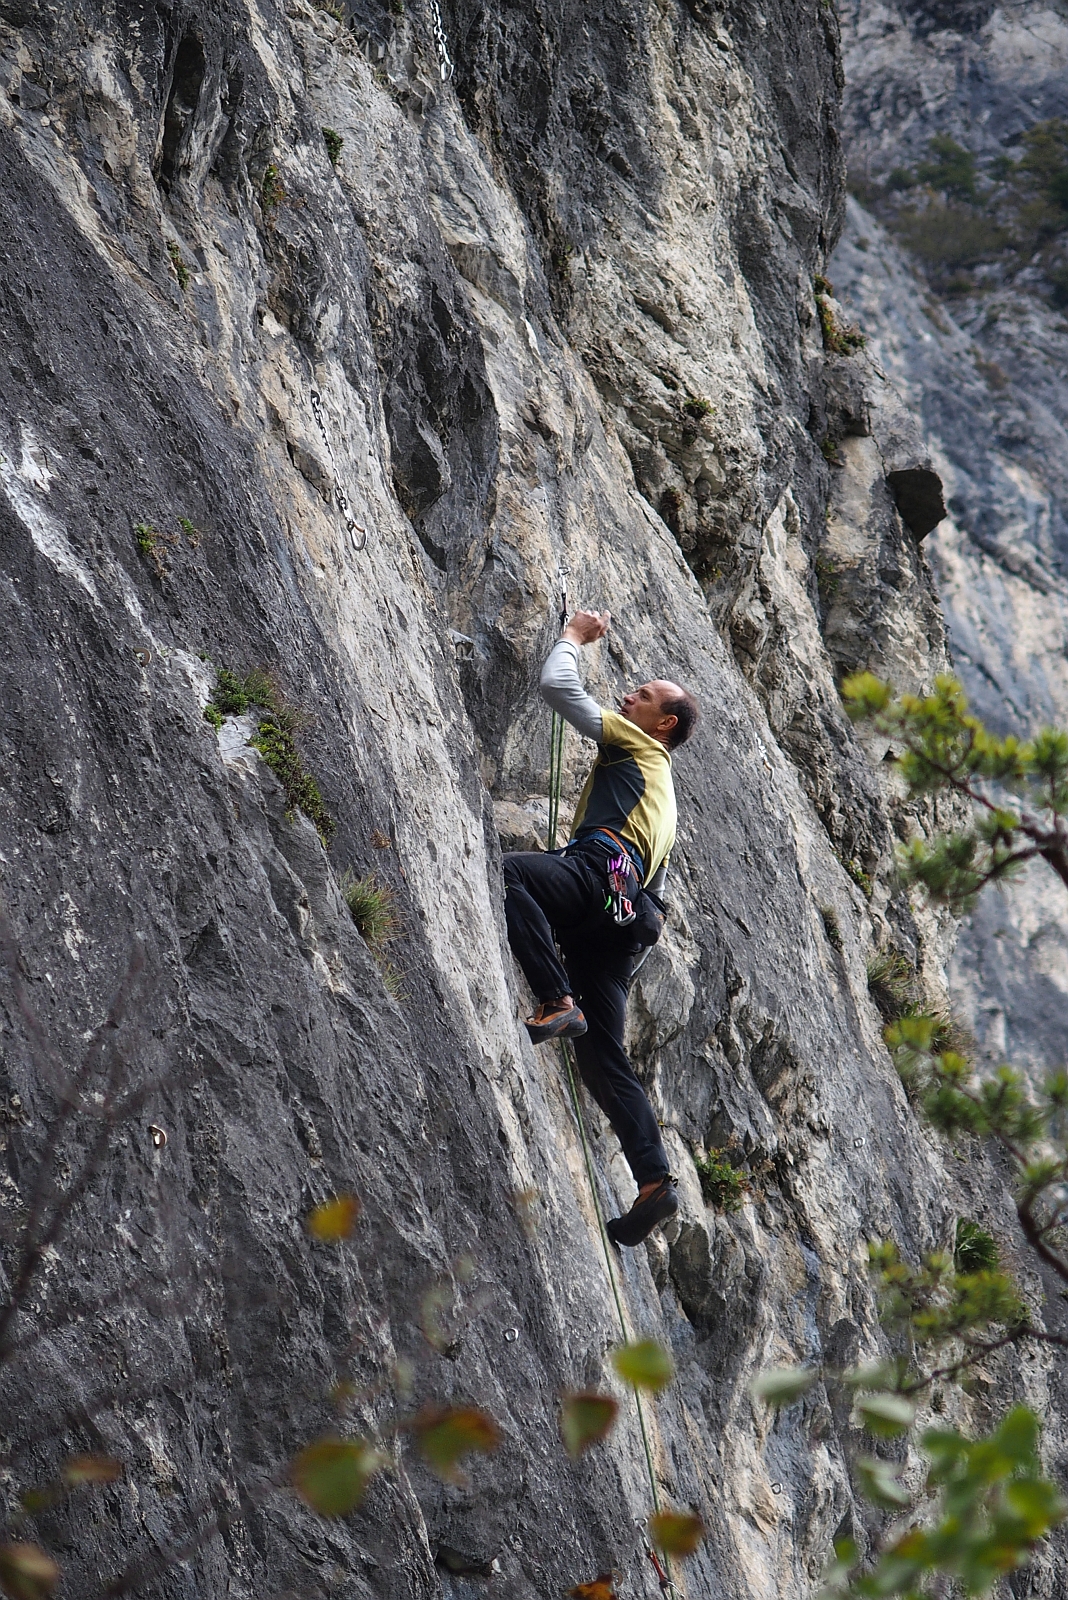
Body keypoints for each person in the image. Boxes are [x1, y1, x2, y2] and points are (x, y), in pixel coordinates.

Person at [502, 609, 699, 1247]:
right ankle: (653, 1183)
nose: (626, 697)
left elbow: (560, 690)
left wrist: (572, 638)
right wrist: (614, 965)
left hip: (597, 871)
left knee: (513, 875)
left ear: (662, 723)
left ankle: (555, 1000)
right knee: (604, 1057)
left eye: (640, 696)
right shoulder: (664, 804)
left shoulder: (640, 746)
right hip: (628, 919)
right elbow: (652, 898)